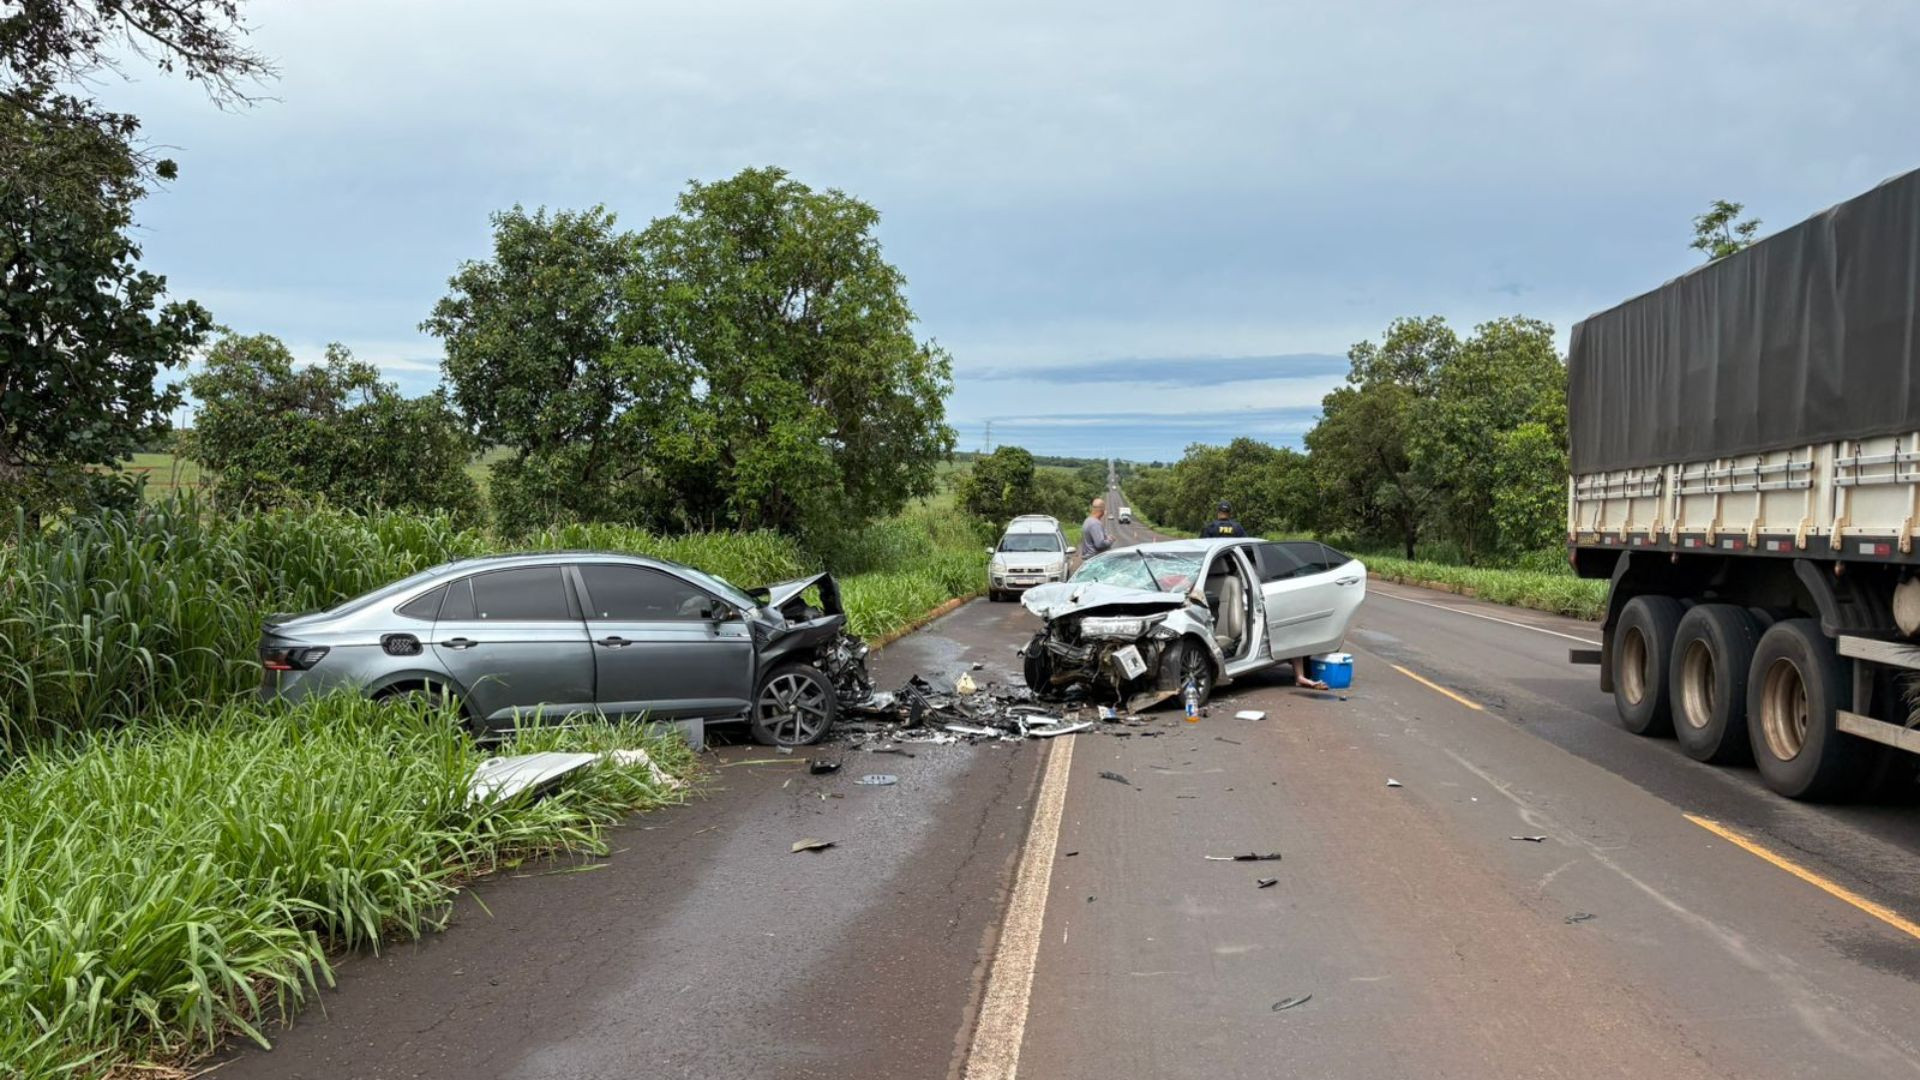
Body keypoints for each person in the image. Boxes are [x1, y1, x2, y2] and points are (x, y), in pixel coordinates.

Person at [1078, 498, 1113, 562]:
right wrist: (1110, 540)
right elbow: (1100, 544)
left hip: (1089, 559)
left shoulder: (1088, 520)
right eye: (1104, 509)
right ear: (1102, 510)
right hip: (1095, 560)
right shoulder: (1095, 524)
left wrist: (1106, 537)